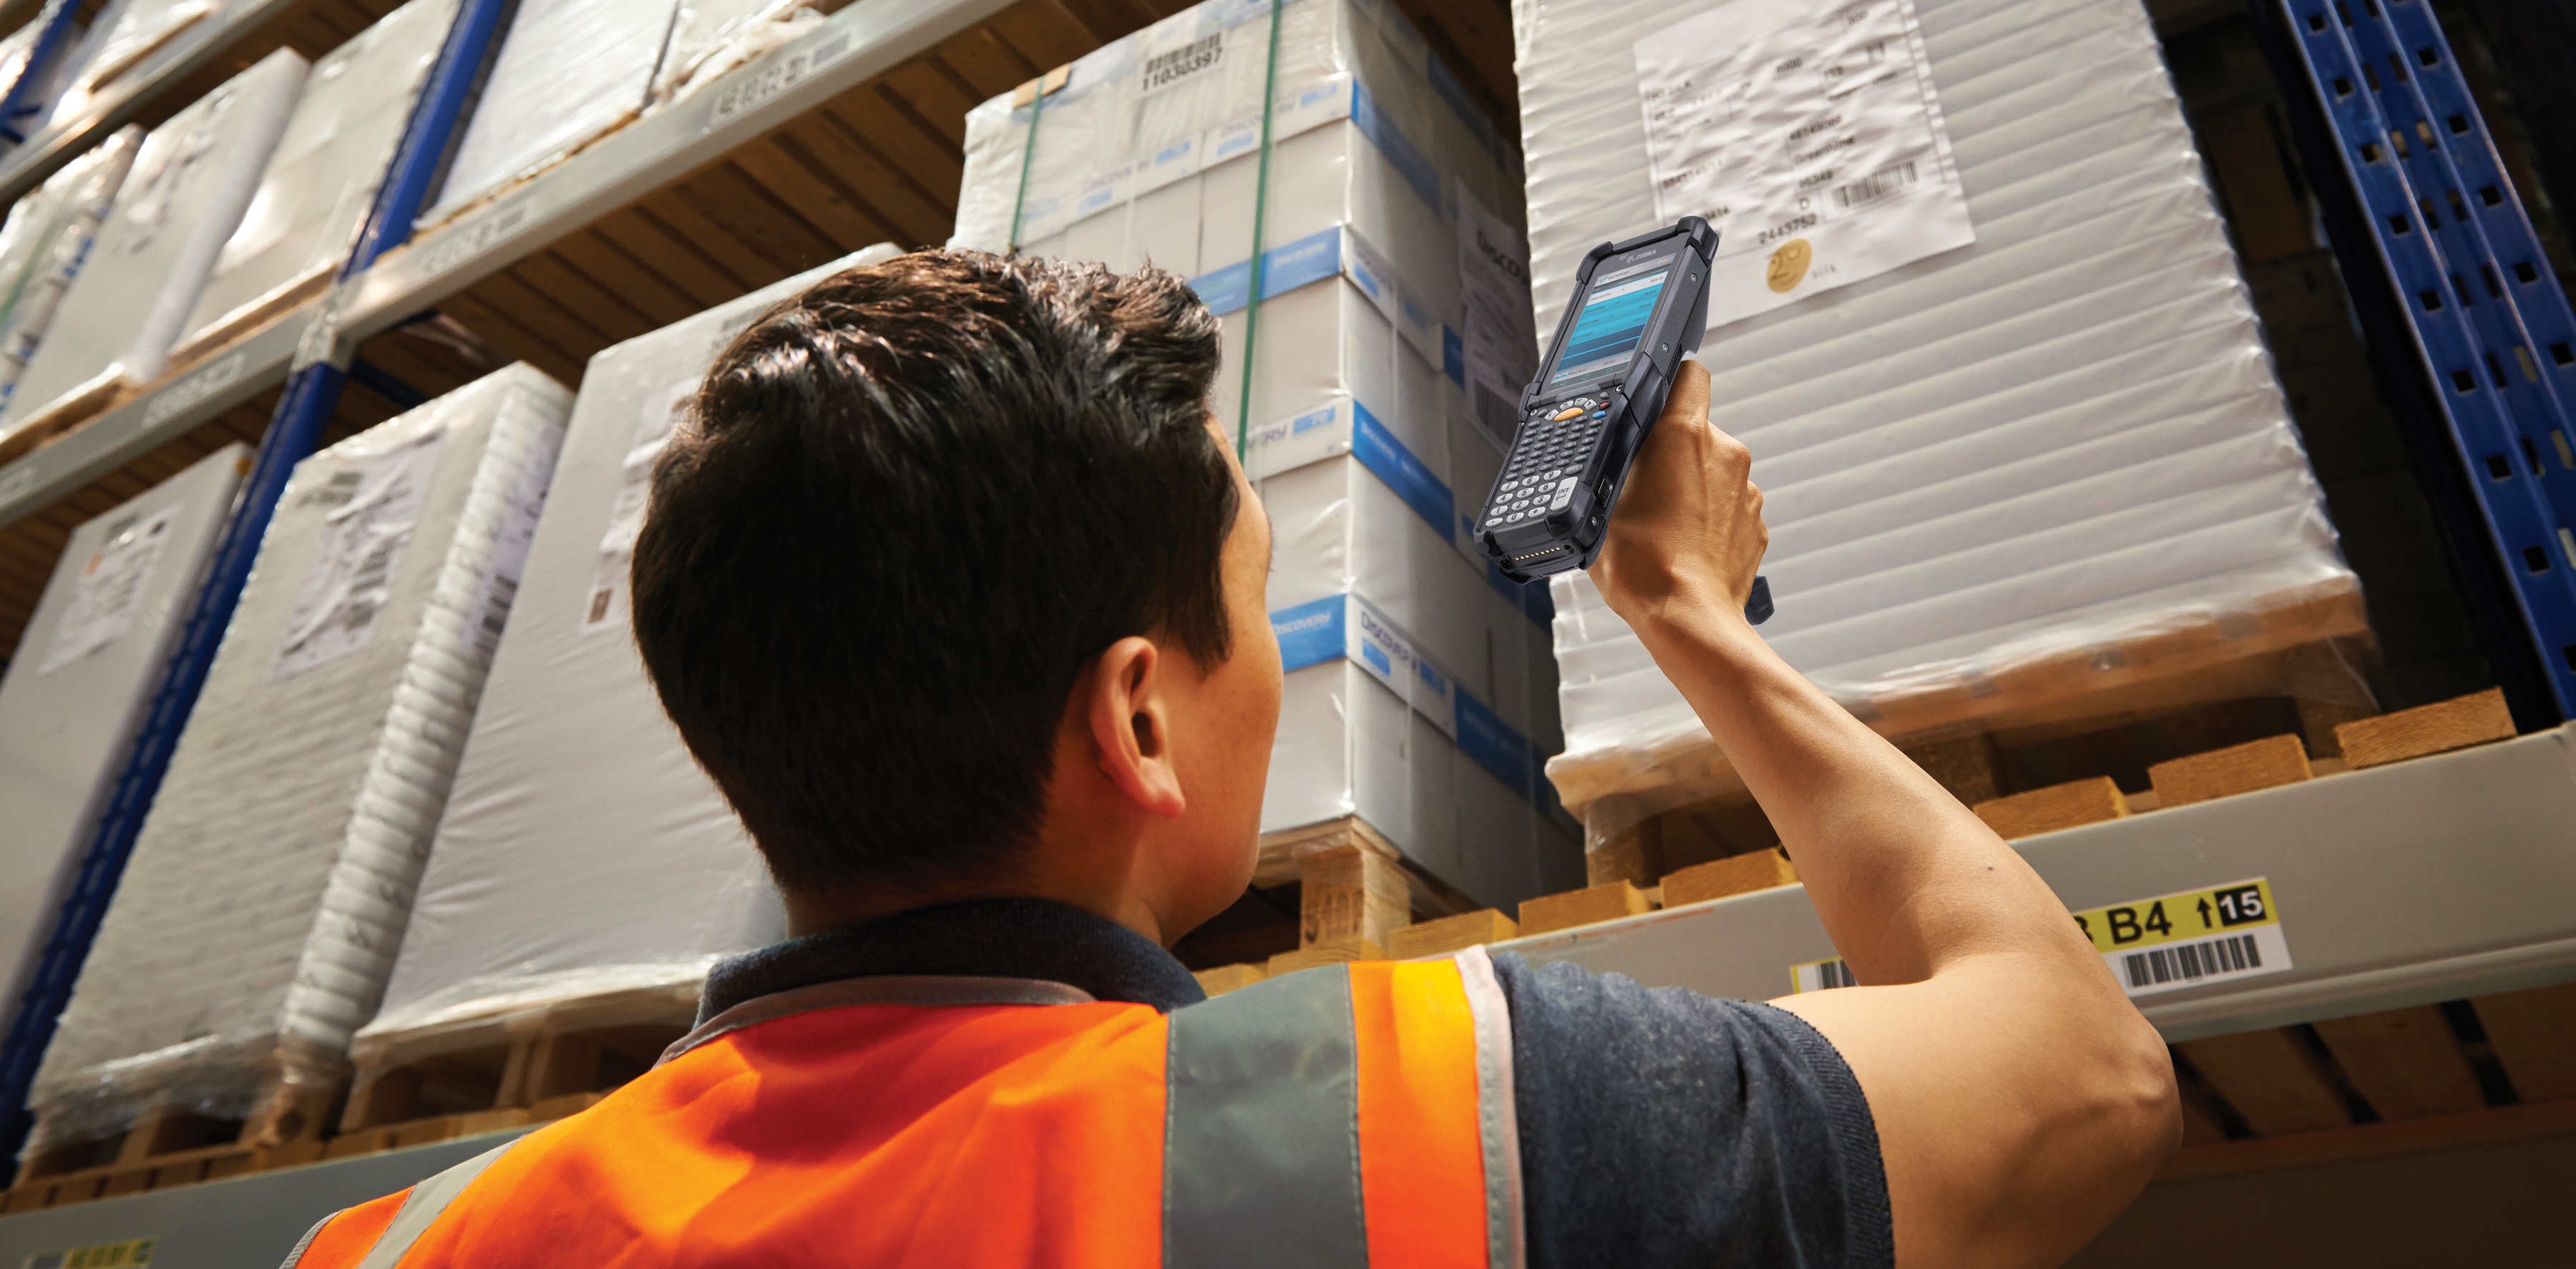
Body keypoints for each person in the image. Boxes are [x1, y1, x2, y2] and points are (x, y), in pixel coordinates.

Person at [284, 251, 2177, 1268]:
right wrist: (1690, 606)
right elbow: (2083, 1071)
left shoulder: (391, 1246)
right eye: (1259, 602)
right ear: (1133, 719)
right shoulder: (1427, 1117)